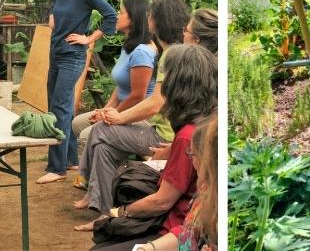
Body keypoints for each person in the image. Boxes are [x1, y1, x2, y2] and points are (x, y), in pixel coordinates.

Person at [73, 0, 190, 231]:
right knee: (104, 145)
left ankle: (90, 190)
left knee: (100, 130)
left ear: (158, 20)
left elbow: (154, 103)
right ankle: (104, 212)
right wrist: (111, 112)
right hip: (162, 129)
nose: (148, 19)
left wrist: (118, 117)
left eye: (151, 15)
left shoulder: (169, 56)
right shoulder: (172, 51)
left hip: (163, 134)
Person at [90, 44, 217, 250]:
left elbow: (162, 201)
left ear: (177, 85)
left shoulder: (187, 135)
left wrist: (120, 211)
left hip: (173, 227)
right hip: (182, 224)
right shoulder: (204, 122)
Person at [37, 0, 117, 184]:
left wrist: (88, 38)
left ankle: (57, 167)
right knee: (58, 105)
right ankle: (70, 159)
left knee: (59, 108)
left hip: (73, 56)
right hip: (56, 52)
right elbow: (56, 10)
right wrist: (53, 16)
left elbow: (110, 15)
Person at [71, 0, 157, 177]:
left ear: (133, 19)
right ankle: (103, 174)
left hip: (139, 115)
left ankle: (97, 179)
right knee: (78, 123)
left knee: (87, 134)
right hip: (121, 110)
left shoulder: (142, 51)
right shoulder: (129, 46)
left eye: (121, 12)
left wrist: (112, 115)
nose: (117, 16)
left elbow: (137, 97)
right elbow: (120, 88)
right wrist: (105, 109)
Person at [134, 117, 218, 251]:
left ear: (206, 160)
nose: (191, 160)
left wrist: (122, 211)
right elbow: (188, 233)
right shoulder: (205, 190)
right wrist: (148, 249)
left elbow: (162, 201)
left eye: (192, 154)